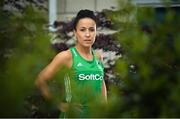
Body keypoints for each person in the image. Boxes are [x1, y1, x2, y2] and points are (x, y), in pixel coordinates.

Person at [35, 9, 107, 118]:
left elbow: (101, 82)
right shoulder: (66, 57)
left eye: (92, 30)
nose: (87, 34)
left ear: (96, 32)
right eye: (82, 30)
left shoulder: (98, 57)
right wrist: (59, 104)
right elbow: (40, 80)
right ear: (75, 32)